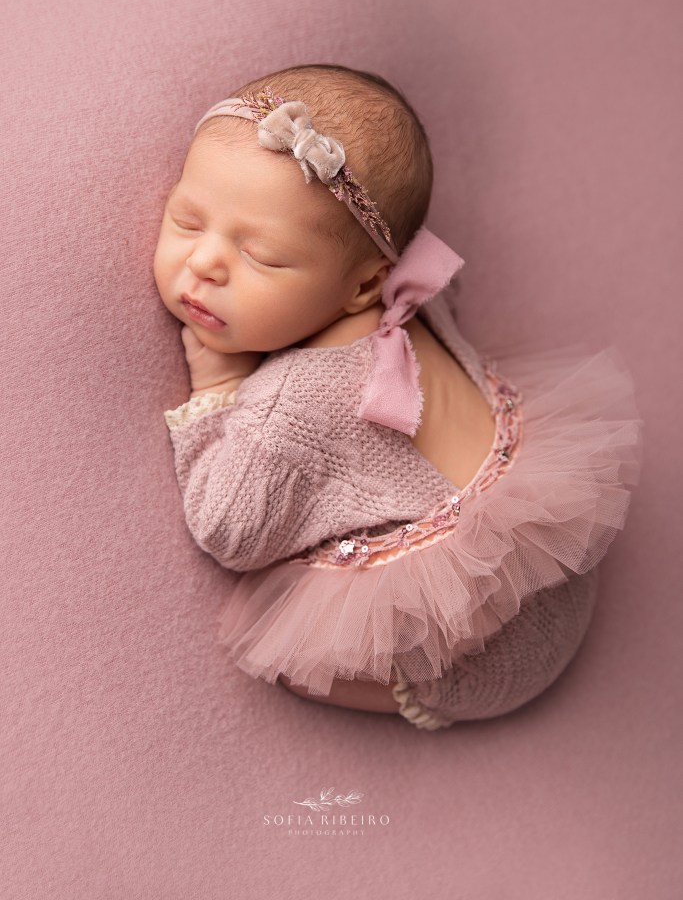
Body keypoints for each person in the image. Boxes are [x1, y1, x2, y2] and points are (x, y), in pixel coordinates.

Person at [153, 63, 644, 730]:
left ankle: (421, 697)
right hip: (555, 560)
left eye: (261, 257)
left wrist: (217, 390)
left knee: (291, 668)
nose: (204, 263)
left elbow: (231, 533)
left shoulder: (290, 401)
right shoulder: (416, 298)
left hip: (482, 656)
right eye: (187, 220)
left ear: (363, 286)